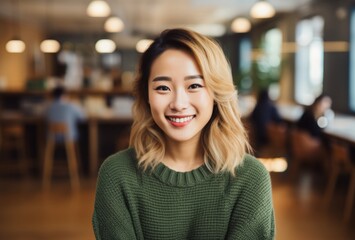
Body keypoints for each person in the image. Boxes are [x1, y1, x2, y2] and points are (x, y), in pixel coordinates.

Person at [92, 28, 275, 239]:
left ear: (216, 94)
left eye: (194, 85)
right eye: (163, 88)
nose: (178, 104)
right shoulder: (117, 176)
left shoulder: (250, 178)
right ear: (146, 95)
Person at [250, 88, 284, 153]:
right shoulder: (271, 107)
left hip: (256, 137)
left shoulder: (257, 107)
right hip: (268, 137)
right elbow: (279, 121)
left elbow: (251, 119)